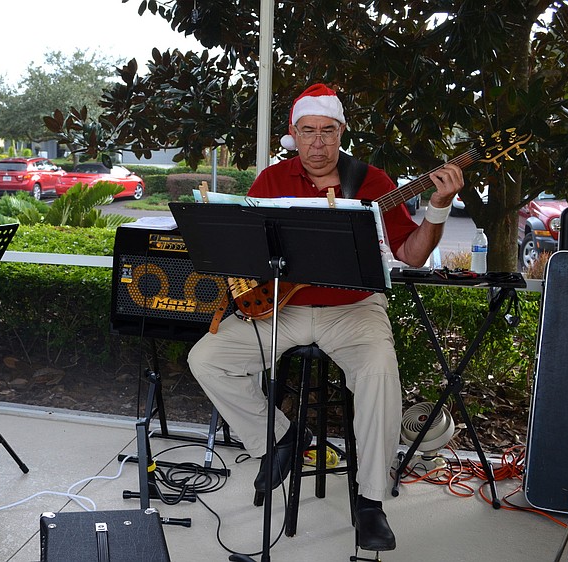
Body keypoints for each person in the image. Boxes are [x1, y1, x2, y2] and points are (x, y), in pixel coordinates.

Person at [187, 83, 464, 552]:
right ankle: (284, 437)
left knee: (380, 372)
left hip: (354, 308)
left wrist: (437, 208)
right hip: (285, 306)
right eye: (308, 131)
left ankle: (371, 502)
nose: (318, 142)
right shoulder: (272, 180)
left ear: (341, 131)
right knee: (208, 358)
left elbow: (412, 256)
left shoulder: (373, 182)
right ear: (294, 134)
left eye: (328, 131)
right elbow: (245, 246)